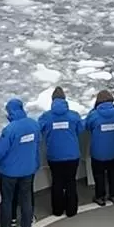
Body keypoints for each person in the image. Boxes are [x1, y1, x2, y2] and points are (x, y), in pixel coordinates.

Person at [0, 98, 41, 227]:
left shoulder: (10, 129)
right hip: (28, 170)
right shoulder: (34, 125)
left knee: (7, 200)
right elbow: (37, 145)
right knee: (26, 200)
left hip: (9, 173)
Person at [39, 87, 84, 218]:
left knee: (57, 182)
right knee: (71, 182)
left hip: (54, 156)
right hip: (72, 156)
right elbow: (80, 129)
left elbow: (39, 129)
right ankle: (71, 210)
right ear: (65, 100)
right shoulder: (74, 115)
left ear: (52, 101)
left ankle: (57, 210)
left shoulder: (46, 117)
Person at [84, 90, 114, 206]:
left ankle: (100, 197)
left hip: (98, 152)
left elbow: (87, 126)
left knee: (99, 175)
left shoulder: (93, 115)